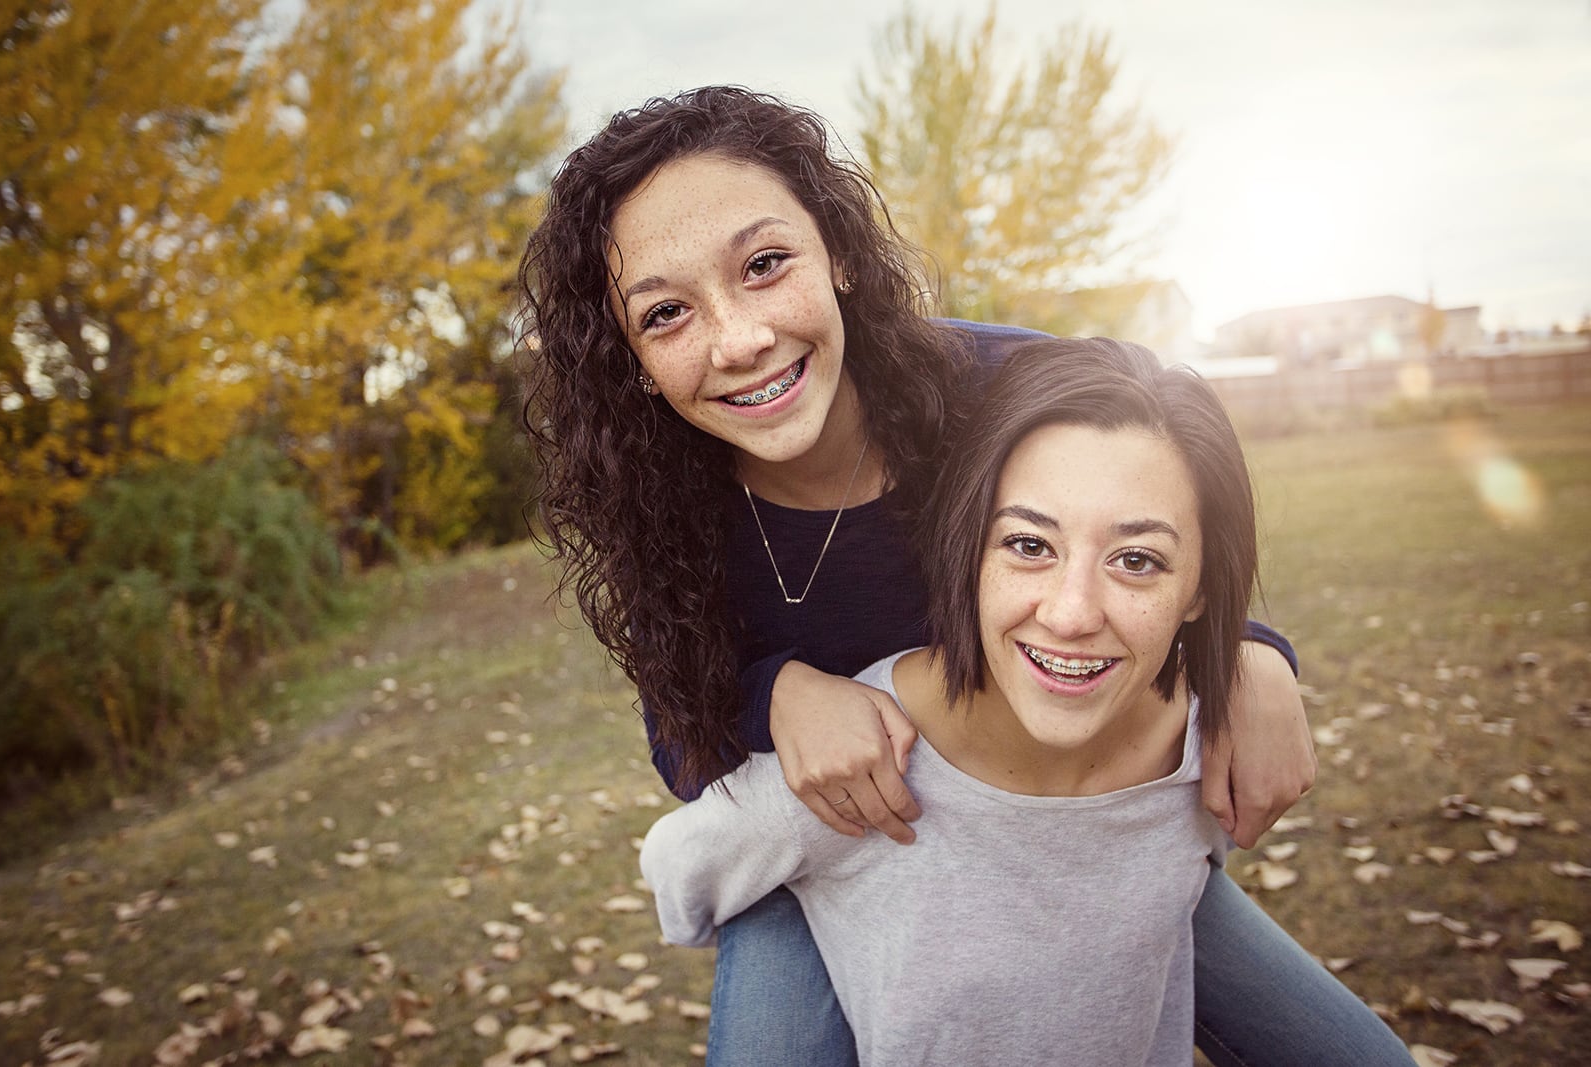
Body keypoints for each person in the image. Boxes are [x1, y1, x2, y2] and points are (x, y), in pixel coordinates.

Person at [517, 85, 1405, 1065]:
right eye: (668, 313)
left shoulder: (1005, 394)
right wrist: (781, 697)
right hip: (833, 847)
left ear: (838, 253)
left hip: (1057, 820)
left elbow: (1168, 514)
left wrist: (1251, 652)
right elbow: (680, 734)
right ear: (632, 357)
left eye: (765, 265)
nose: (738, 339)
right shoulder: (654, 496)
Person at [641, 337, 1253, 1065]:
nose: (1071, 612)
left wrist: (1259, 664)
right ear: (969, 551)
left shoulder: (1203, 759)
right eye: (1030, 545)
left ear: (1202, 587)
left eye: (1136, 560)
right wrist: (802, 897)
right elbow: (681, 871)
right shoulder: (862, 770)